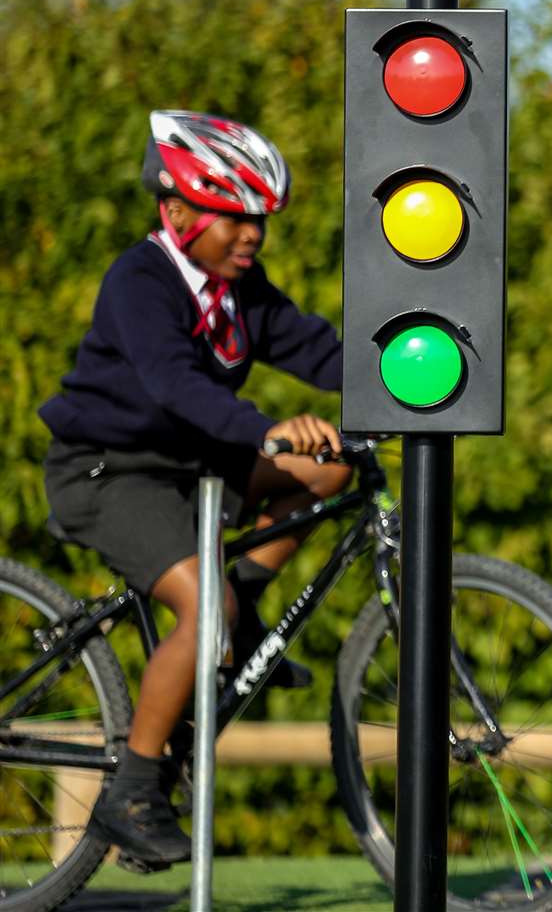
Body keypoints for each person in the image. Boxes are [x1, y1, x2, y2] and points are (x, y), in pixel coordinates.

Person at [39, 110, 349, 868]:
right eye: (234, 219)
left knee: (334, 469)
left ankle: (233, 618)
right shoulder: (139, 281)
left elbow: (313, 347)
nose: (252, 237)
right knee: (204, 610)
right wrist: (267, 429)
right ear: (174, 212)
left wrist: (408, 395)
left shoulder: (242, 290)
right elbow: (174, 385)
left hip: (191, 463)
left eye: (260, 222)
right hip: (111, 470)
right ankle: (134, 792)